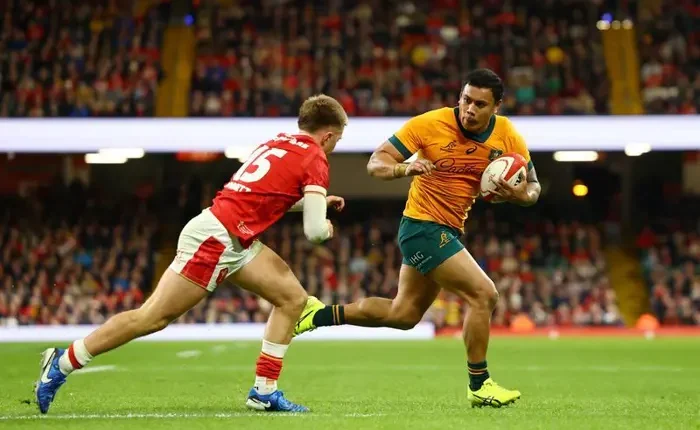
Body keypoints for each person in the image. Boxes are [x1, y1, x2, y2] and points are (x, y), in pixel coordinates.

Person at [35, 94, 348, 414]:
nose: (335, 146)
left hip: (232, 236)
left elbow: (266, 195)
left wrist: (316, 203)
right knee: (152, 318)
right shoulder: (314, 157)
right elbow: (314, 233)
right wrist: (324, 225)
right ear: (327, 136)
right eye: (337, 139)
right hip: (217, 239)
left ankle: (264, 391)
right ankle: (63, 361)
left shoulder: (279, 142)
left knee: (292, 299)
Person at [294, 69, 541, 408]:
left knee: (404, 314)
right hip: (422, 227)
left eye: (480, 104)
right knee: (484, 294)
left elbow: (533, 185)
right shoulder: (429, 124)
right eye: (466, 100)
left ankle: (317, 314)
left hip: (448, 229)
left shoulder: (507, 135)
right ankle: (480, 384)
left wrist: (520, 195)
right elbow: (376, 162)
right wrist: (403, 168)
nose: (470, 109)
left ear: (496, 107)